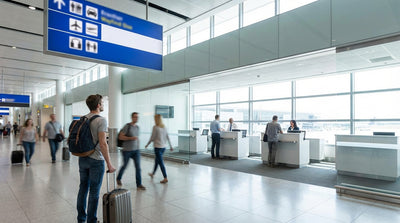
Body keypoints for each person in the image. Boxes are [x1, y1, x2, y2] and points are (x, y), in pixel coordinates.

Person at [76, 94, 116, 223]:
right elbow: (103, 143)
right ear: (98, 105)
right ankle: (91, 220)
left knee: (83, 189)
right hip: (96, 160)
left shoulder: (83, 118)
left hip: (83, 158)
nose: (103, 105)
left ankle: (81, 219)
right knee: (94, 192)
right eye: (102, 103)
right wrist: (109, 163)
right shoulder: (101, 120)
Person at [116, 112, 146, 190]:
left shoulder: (137, 127)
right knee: (125, 165)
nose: (136, 118)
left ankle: (139, 184)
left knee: (138, 168)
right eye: (135, 117)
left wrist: (138, 147)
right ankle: (118, 178)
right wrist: (130, 138)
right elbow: (120, 137)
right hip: (127, 150)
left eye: (137, 117)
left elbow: (137, 138)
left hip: (136, 151)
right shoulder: (127, 126)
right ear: (132, 118)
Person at [145, 114, 173, 184]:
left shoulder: (155, 127)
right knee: (157, 161)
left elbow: (152, 137)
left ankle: (165, 177)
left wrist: (147, 144)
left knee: (160, 162)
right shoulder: (164, 127)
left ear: (156, 119)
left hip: (157, 147)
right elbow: (168, 137)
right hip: (163, 147)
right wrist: (171, 146)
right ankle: (153, 173)